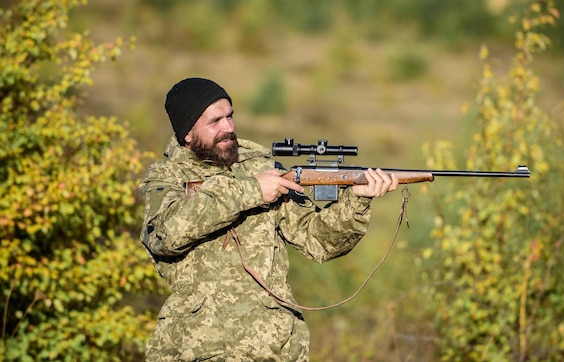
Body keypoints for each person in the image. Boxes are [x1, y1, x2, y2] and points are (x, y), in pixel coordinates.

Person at [139, 77, 398, 361]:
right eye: (215, 121)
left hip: (273, 350)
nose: (228, 128)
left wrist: (357, 199)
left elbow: (319, 241)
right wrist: (251, 190)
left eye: (230, 116)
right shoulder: (167, 178)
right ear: (187, 132)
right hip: (196, 350)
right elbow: (165, 235)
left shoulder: (263, 167)